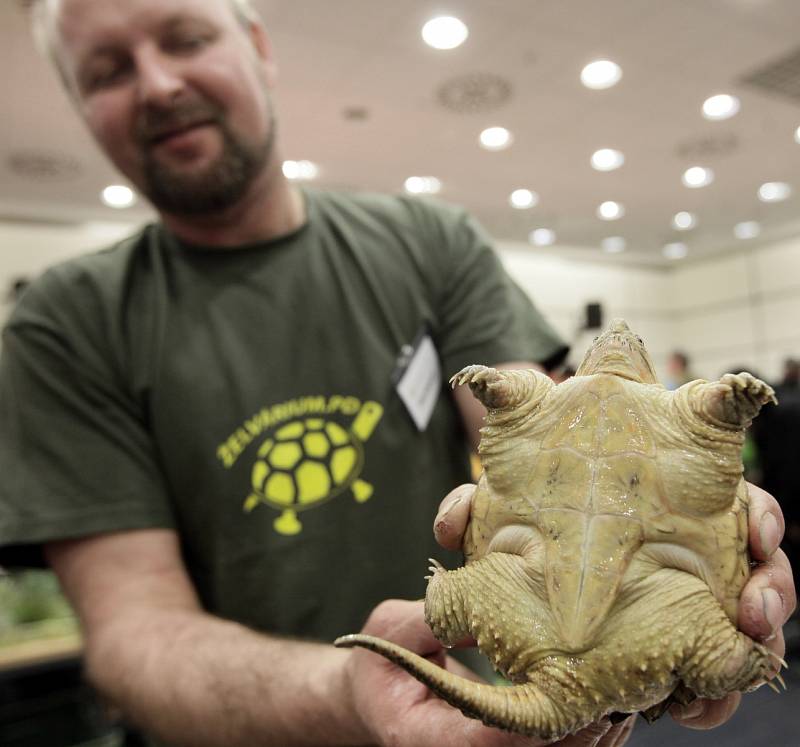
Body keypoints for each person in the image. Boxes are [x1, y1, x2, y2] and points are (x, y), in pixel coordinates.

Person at [0, 1, 793, 745]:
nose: (160, 82)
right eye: (106, 69)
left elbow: (535, 434)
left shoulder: (431, 243)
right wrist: (346, 691)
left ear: (259, 46)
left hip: (479, 696)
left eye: (185, 36)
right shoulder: (63, 324)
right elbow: (131, 629)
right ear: (75, 103)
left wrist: (695, 493)